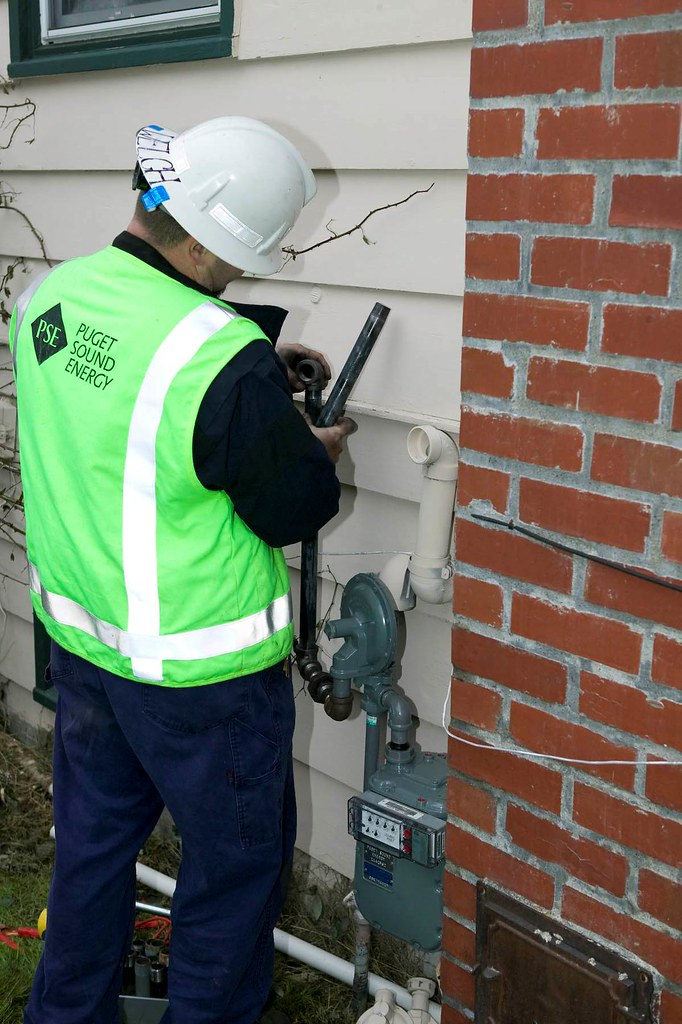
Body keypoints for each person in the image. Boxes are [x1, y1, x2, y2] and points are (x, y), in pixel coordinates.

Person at [9, 117, 355, 1024]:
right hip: (203, 685)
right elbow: (294, 504)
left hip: (85, 651)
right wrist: (300, 444)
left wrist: (252, 390)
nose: (241, 275)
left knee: (91, 851)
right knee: (231, 879)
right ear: (204, 239)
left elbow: (119, 403)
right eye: (241, 257)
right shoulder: (218, 360)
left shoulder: (51, 297)